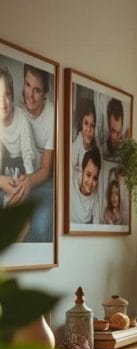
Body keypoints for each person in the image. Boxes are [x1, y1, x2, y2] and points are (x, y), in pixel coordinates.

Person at [17, 64, 55, 242]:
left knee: (41, 227)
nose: (30, 95)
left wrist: (29, 182)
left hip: (42, 181)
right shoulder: (15, 108)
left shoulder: (51, 116)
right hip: (18, 177)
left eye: (37, 90)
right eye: (27, 85)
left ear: (45, 94)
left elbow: (46, 169)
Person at [0, 67, 36, 207]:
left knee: (19, 192)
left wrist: (29, 180)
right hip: (4, 166)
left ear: (12, 96)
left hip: (21, 166)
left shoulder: (21, 118)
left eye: (6, 95)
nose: (3, 102)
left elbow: (27, 153)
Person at [70, 146, 101, 224]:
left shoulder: (95, 199)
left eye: (95, 178)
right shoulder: (72, 179)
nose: (91, 182)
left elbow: (96, 226)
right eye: (88, 175)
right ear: (82, 171)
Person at [71, 97, 97, 176]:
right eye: (86, 123)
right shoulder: (78, 142)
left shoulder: (95, 149)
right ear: (80, 124)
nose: (89, 129)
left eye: (92, 125)